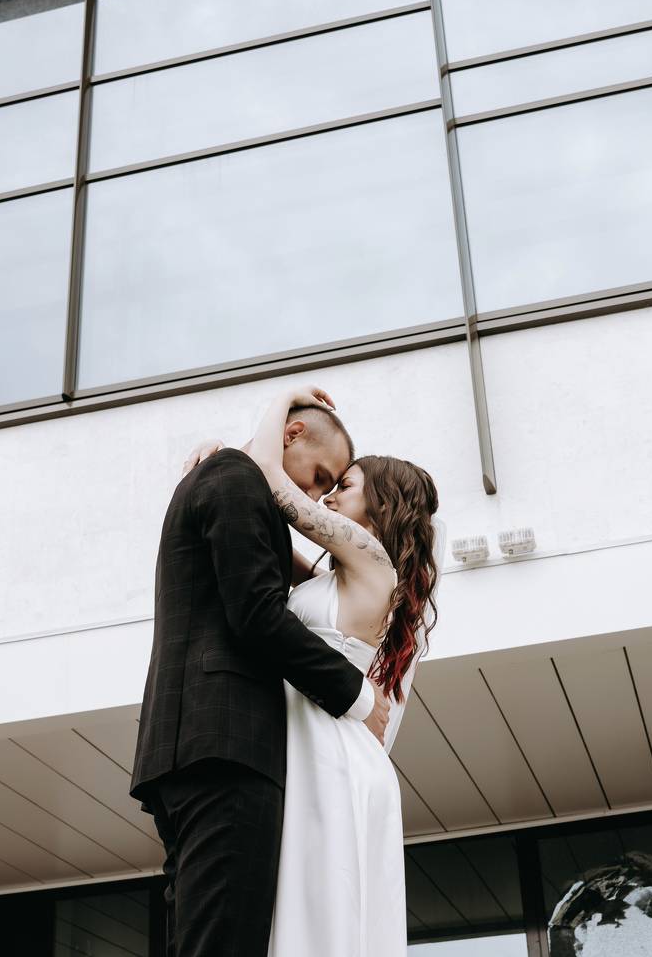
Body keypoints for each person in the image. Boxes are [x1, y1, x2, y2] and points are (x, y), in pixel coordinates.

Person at [130, 388, 393, 957]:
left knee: (205, 937)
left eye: (331, 486)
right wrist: (357, 694)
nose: (317, 496)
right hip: (226, 746)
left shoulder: (227, 478)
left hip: (193, 747)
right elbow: (256, 615)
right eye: (320, 477)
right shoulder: (236, 477)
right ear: (292, 435)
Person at [184, 386, 442, 957]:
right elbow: (257, 540)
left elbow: (271, 482)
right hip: (307, 745)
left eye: (343, 485)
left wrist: (284, 400)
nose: (325, 496)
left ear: (381, 504)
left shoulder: (373, 561)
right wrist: (218, 460)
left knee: (321, 910)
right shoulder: (337, 578)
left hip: (331, 755)